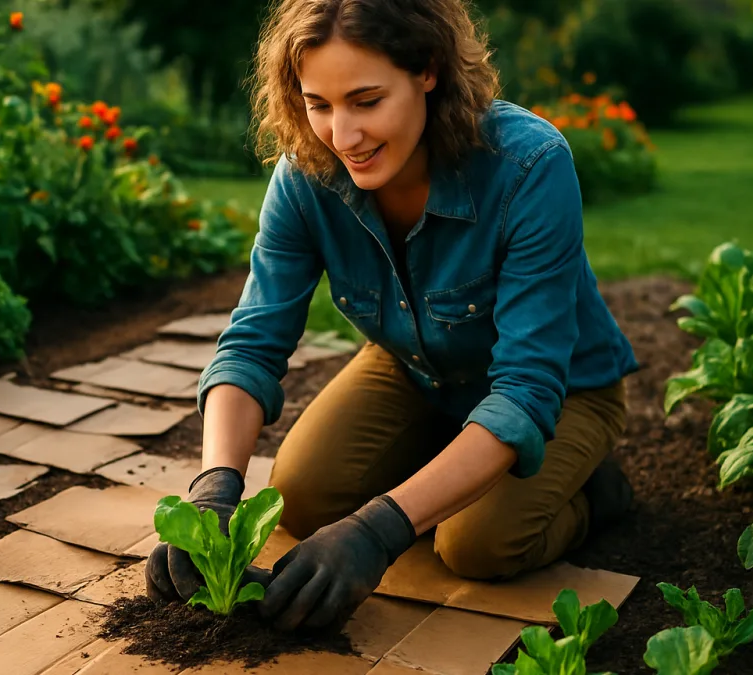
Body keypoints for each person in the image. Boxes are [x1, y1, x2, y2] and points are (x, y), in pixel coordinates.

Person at [144, 0, 640, 632]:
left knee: (476, 546)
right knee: (301, 498)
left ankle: (595, 494)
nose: (342, 135)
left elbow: (525, 388)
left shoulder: (529, 166)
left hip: (565, 390)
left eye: (366, 101)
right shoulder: (305, 175)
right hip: (415, 370)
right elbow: (251, 343)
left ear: (428, 69)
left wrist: (379, 530)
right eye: (319, 104)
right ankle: (445, 467)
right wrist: (213, 488)